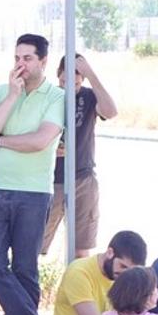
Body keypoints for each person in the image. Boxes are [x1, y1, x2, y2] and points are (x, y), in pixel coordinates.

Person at [0, 34, 66, 315]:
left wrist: (2, 141)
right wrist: (12, 96)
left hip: (34, 192)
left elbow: (41, 141)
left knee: (25, 268)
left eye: (27, 58)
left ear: (43, 61)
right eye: (17, 57)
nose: (20, 64)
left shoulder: (56, 96)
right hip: (0, 189)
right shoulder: (3, 92)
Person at [41, 53, 117, 257]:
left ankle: (76, 287)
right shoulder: (48, 97)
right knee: (37, 244)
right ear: (58, 76)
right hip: (51, 179)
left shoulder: (89, 96)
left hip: (82, 177)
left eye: (74, 83)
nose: (68, 87)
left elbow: (110, 112)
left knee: (81, 248)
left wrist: (92, 75)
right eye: (64, 81)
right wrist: (48, 147)